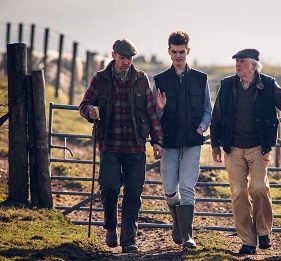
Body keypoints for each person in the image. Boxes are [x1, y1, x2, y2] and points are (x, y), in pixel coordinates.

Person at [210, 48, 281, 254]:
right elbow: (217, 116)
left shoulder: (268, 85)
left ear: (253, 65)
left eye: (242, 61)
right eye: (236, 61)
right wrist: (215, 145)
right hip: (232, 148)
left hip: (257, 148)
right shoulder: (227, 85)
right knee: (238, 193)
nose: (237, 65)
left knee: (259, 188)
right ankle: (247, 240)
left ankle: (263, 231)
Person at [79, 38, 164, 253]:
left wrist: (157, 141)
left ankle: (129, 240)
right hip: (109, 144)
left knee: (133, 194)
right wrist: (90, 111)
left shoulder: (141, 78)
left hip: (136, 145)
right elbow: (84, 104)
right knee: (109, 187)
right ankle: (110, 226)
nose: (126, 62)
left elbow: (151, 112)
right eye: (123, 57)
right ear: (113, 55)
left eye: (129, 58)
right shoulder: (100, 79)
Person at [152, 31, 212, 249]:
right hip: (168, 143)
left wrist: (201, 128)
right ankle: (177, 221)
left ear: (188, 50)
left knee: (187, 187)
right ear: (169, 51)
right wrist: (159, 109)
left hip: (192, 142)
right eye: (174, 52)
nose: (178, 55)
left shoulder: (200, 79)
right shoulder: (159, 80)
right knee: (170, 190)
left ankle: (187, 235)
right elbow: (153, 117)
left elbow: (207, 110)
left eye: (182, 51)